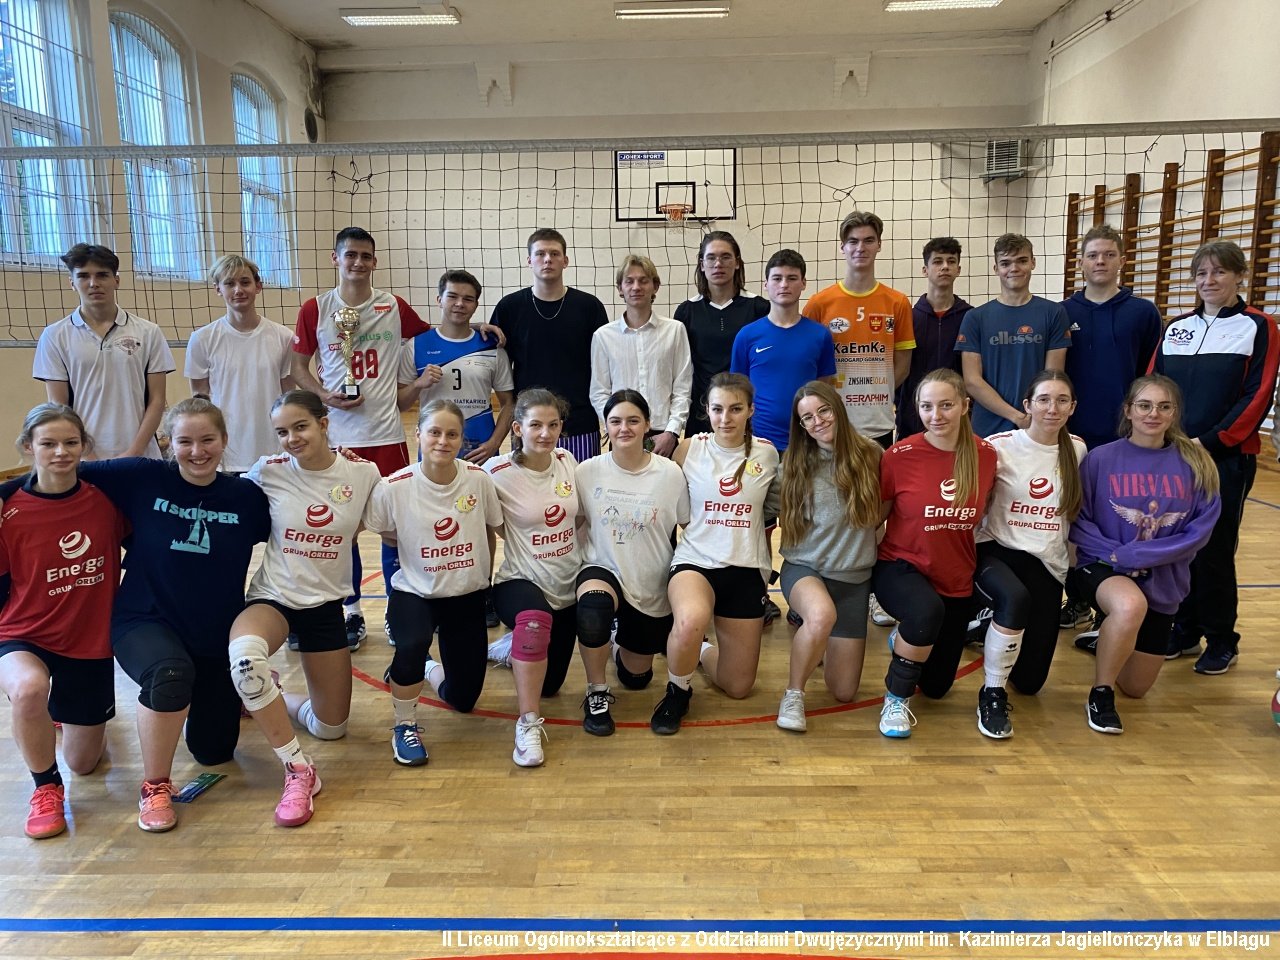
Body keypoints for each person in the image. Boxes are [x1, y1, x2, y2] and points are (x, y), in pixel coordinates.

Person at [1, 398, 272, 834]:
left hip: (211, 629)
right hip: (144, 619)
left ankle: (249, 697)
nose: (197, 451)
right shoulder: (141, 476)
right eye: (185, 441)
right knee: (169, 674)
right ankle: (152, 786)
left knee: (213, 752)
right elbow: (59, 470)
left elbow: (296, 517)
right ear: (168, 443)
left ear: (224, 440)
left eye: (207, 440)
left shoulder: (246, 497)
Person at [227, 390, 381, 827]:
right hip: (274, 597)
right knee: (245, 658)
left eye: (300, 427)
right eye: (282, 432)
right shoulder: (268, 471)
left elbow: (385, 521)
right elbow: (218, 499)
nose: (292, 438)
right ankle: (297, 768)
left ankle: (268, 694)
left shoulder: (363, 473)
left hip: (325, 607)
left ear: (323, 424)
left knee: (331, 728)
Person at [290, 226, 429, 648]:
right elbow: (297, 369)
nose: (358, 262)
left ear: (374, 261)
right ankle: (351, 612)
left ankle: (396, 608)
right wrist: (324, 396)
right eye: (350, 255)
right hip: (337, 440)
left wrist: (476, 327)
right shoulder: (316, 308)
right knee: (342, 531)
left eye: (366, 256)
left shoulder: (393, 306)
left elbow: (438, 335)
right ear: (336, 259)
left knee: (394, 529)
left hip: (386, 435)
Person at [1069, 375, 1221, 733]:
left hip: (1163, 578)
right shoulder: (1100, 459)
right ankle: (1100, 695)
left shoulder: (1196, 463)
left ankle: (1112, 636)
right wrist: (1117, 555)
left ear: (1174, 413)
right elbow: (1078, 521)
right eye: (1144, 405)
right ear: (1129, 411)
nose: (1153, 414)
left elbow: (1198, 532)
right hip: (1104, 567)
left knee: (1136, 688)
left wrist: (1142, 555)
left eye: (1164, 407)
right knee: (1129, 605)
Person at [1154, 240, 1279, 675]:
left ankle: (1222, 638)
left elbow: (1257, 396)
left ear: (1239, 275)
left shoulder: (1258, 326)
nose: (1209, 281)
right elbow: (1154, 386)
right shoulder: (1177, 328)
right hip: (1173, 456)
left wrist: (1210, 441)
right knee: (1176, 544)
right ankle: (1185, 629)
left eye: (1219, 272)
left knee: (1214, 549)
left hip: (1224, 458)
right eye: (1201, 273)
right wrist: (1158, 439)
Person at [0, 405, 125, 839]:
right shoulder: (8, 509)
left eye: (70, 442)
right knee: (28, 690)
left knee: (84, 764)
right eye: (48, 443)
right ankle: (46, 788)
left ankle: (72, 721)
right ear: (28, 447)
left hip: (88, 642)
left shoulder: (106, 499)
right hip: (24, 633)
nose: (60, 452)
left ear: (84, 446)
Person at [365, 400, 503, 765]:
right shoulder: (394, 486)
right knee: (412, 643)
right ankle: (404, 724)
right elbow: (383, 531)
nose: (443, 441)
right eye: (435, 432)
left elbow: (489, 531)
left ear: (462, 438)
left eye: (452, 434)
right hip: (416, 592)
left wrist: (484, 582)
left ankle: (427, 668)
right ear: (418, 435)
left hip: (465, 594)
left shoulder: (478, 479)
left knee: (463, 700)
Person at [872, 369, 1008, 739]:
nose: (936, 415)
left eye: (946, 405)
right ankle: (895, 700)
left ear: (965, 406)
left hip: (955, 576)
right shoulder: (899, 456)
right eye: (927, 406)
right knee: (924, 611)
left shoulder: (986, 455)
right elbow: (876, 517)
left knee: (936, 687)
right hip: (900, 566)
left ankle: (907, 637)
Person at [649, 373, 780, 735]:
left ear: (750, 410)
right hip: (696, 562)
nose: (725, 418)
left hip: (746, 568)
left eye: (735, 409)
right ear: (706, 410)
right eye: (718, 409)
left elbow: (777, 505)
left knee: (738, 687)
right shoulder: (689, 449)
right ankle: (677, 690)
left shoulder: (767, 454)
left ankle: (700, 650)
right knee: (692, 617)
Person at [1057, 224, 1162, 631]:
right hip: (1074, 435)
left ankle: (1111, 609)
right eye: (1092, 255)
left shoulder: (1143, 312)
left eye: (1108, 254)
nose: (1100, 261)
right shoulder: (1064, 312)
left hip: (1124, 437)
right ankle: (1078, 600)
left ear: (1122, 260)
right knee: (1074, 518)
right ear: (1081, 262)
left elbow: (1151, 376)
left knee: (1117, 521)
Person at [574, 390, 690, 736]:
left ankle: (616, 642)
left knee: (636, 678)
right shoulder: (586, 471)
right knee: (593, 612)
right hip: (602, 568)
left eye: (633, 420)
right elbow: (572, 523)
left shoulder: (670, 473)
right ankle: (596, 692)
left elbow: (688, 526)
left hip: (649, 581)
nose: (624, 428)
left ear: (648, 425)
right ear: (606, 426)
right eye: (615, 421)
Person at [772, 381, 882, 733]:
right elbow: (762, 509)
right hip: (806, 568)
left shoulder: (872, 454)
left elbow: (888, 507)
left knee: (843, 692)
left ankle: (818, 641)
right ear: (801, 425)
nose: (817, 421)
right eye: (807, 417)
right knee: (820, 616)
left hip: (853, 578)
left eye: (823, 411)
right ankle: (793, 694)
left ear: (838, 408)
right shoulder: (793, 463)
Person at [484, 389, 583, 764]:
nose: (545, 433)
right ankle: (526, 725)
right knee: (535, 622)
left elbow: (580, 518)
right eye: (536, 425)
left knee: (551, 685)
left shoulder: (567, 460)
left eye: (553, 425)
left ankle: (514, 646)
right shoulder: (496, 472)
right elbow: (488, 522)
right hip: (519, 580)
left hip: (566, 584)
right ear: (517, 428)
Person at [977, 371, 1087, 699]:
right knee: (1015, 598)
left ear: (1072, 407)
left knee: (1029, 683)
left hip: (1047, 561)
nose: (1052, 408)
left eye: (1062, 400)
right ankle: (991, 692)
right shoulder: (999, 446)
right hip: (999, 549)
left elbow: (1074, 515)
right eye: (1044, 400)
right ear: (1028, 405)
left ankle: (985, 626)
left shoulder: (1078, 449)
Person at [33, 243, 174, 459]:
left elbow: (157, 400)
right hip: (83, 457)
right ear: (72, 283)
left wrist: (135, 452)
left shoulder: (149, 331)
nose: (93, 283)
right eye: (83, 276)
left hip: (141, 456)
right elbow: (59, 406)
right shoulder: (54, 335)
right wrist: (86, 454)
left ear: (116, 280)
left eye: (102, 275)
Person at [491, 228, 609, 462]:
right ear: (529, 260)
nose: (547, 259)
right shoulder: (509, 308)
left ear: (565, 261)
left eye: (554, 254)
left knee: (578, 482)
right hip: (528, 423)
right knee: (530, 482)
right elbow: (493, 359)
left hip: (580, 422)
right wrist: (474, 326)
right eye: (540, 254)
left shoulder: (589, 307)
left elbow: (604, 364)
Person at [803, 210, 915, 449]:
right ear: (842, 247)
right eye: (853, 241)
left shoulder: (898, 302)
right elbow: (808, 365)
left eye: (868, 240)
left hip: (878, 422)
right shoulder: (818, 303)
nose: (860, 248)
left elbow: (903, 367)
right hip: (831, 423)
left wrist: (876, 392)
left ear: (879, 245)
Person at [185, 254, 295, 474]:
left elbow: (289, 396)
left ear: (258, 286)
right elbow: (200, 401)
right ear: (218, 289)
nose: (238, 290)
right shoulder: (201, 339)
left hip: (272, 453)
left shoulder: (284, 337)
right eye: (229, 283)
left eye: (245, 282)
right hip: (225, 456)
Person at [957, 234, 1071, 437]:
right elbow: (972, 381)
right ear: (996, 268)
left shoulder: (1054, 313)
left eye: (1022, 261)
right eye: (1005, 263)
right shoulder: (975, 317)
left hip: (1037, 425)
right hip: (988, 429)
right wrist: (1017, 417)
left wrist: (1033, 416)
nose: (1014, 268)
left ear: (1033, 263)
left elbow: (1052, 377)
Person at [729, 250, 836, 452]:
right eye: (777, 278)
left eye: (792, 278)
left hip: (807, 440)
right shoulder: (747, 336)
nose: (784, 284)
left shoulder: (820, 335)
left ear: (803, 283)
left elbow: (823, 388)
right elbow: (736, 391)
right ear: (766, 284)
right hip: (759, 442)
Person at [404, 269, 514, 465]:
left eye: (468, 299)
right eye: (452, 296)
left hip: (481, 452)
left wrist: (494, 443)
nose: (460, 304)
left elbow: (508, 403)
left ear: (476, 305)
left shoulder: (492, 347)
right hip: (435, 449)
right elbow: (401, 404)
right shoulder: (416, 346)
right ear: (439, 300)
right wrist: (418, 384)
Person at [590, 254, 692, 458]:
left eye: (643, 281)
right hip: (622, 434)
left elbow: (682, 388)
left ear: (655, 286)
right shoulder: (603, 336)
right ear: (620, 288)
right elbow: (599, 392)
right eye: (629, 281)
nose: (636, 287)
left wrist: (672, 432)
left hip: (663, 436)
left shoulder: (675, 330)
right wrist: (616, 426)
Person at [674, 231, 769, 437]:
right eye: (711, 257)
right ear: (702, 264)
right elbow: (681, 370)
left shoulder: (759, 308)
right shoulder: (687, 311)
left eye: (726, 257)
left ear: (737, 263)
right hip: (702, 413)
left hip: (745, 414)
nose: (718, 264)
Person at [896, 237, 972, 439]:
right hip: (913, 419)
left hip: (957, 419)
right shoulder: (908, 317)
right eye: (938, 261)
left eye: (951, 261)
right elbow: (899, 367)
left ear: (958, 269)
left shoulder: (971, 317)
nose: (945, 266)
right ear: (925, 270)